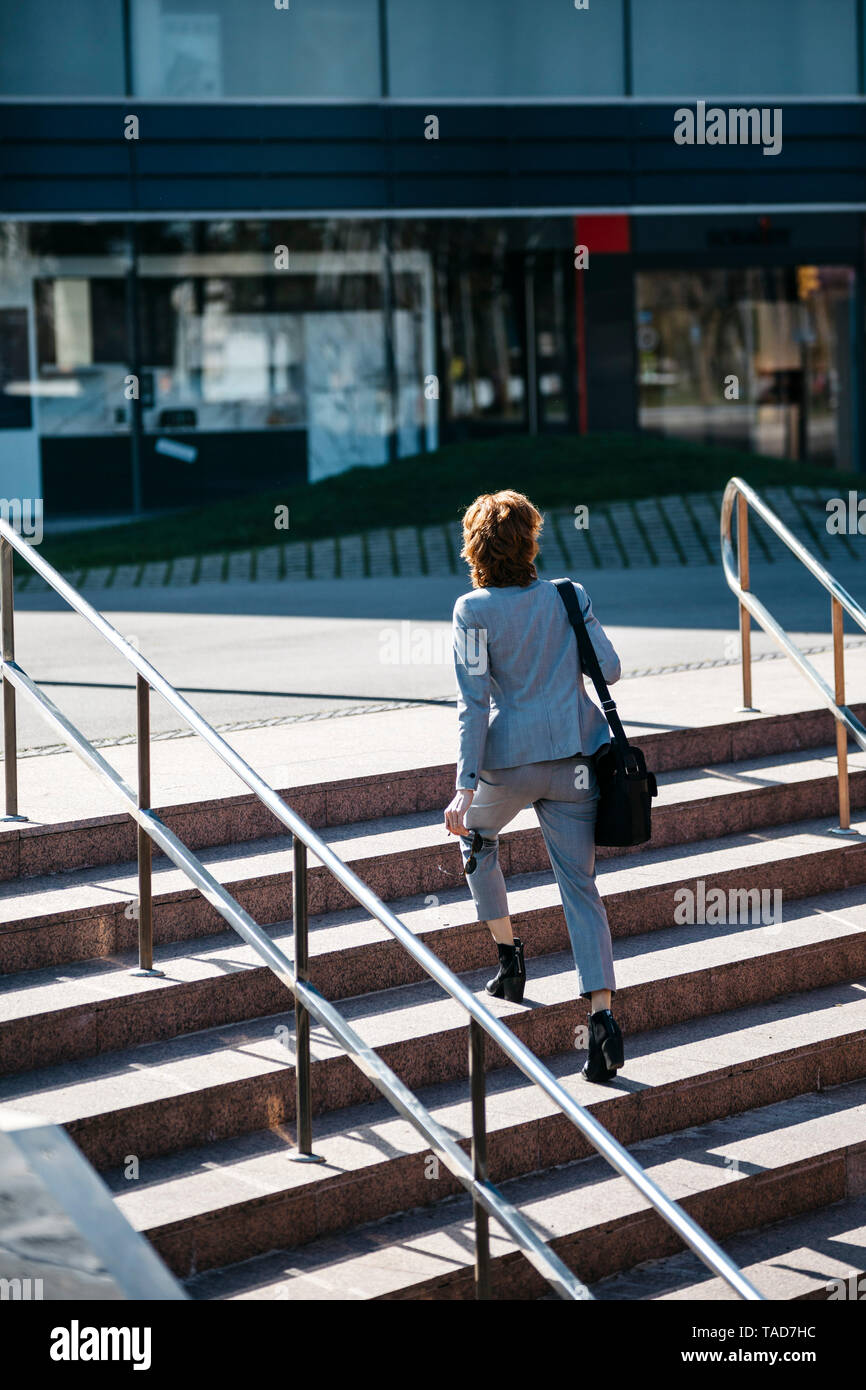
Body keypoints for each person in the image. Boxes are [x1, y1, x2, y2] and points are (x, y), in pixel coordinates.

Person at [443, 489, 624, 1083]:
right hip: (575, 762)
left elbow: (473, 707)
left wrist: (465, 787)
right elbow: (612, 669)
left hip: (510, 765)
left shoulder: (471, 609)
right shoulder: (569, 596)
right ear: (530, 541)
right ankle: (601, 1020)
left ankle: (508, 955)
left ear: (476, 547)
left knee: (475, 837)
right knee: (581, 888)